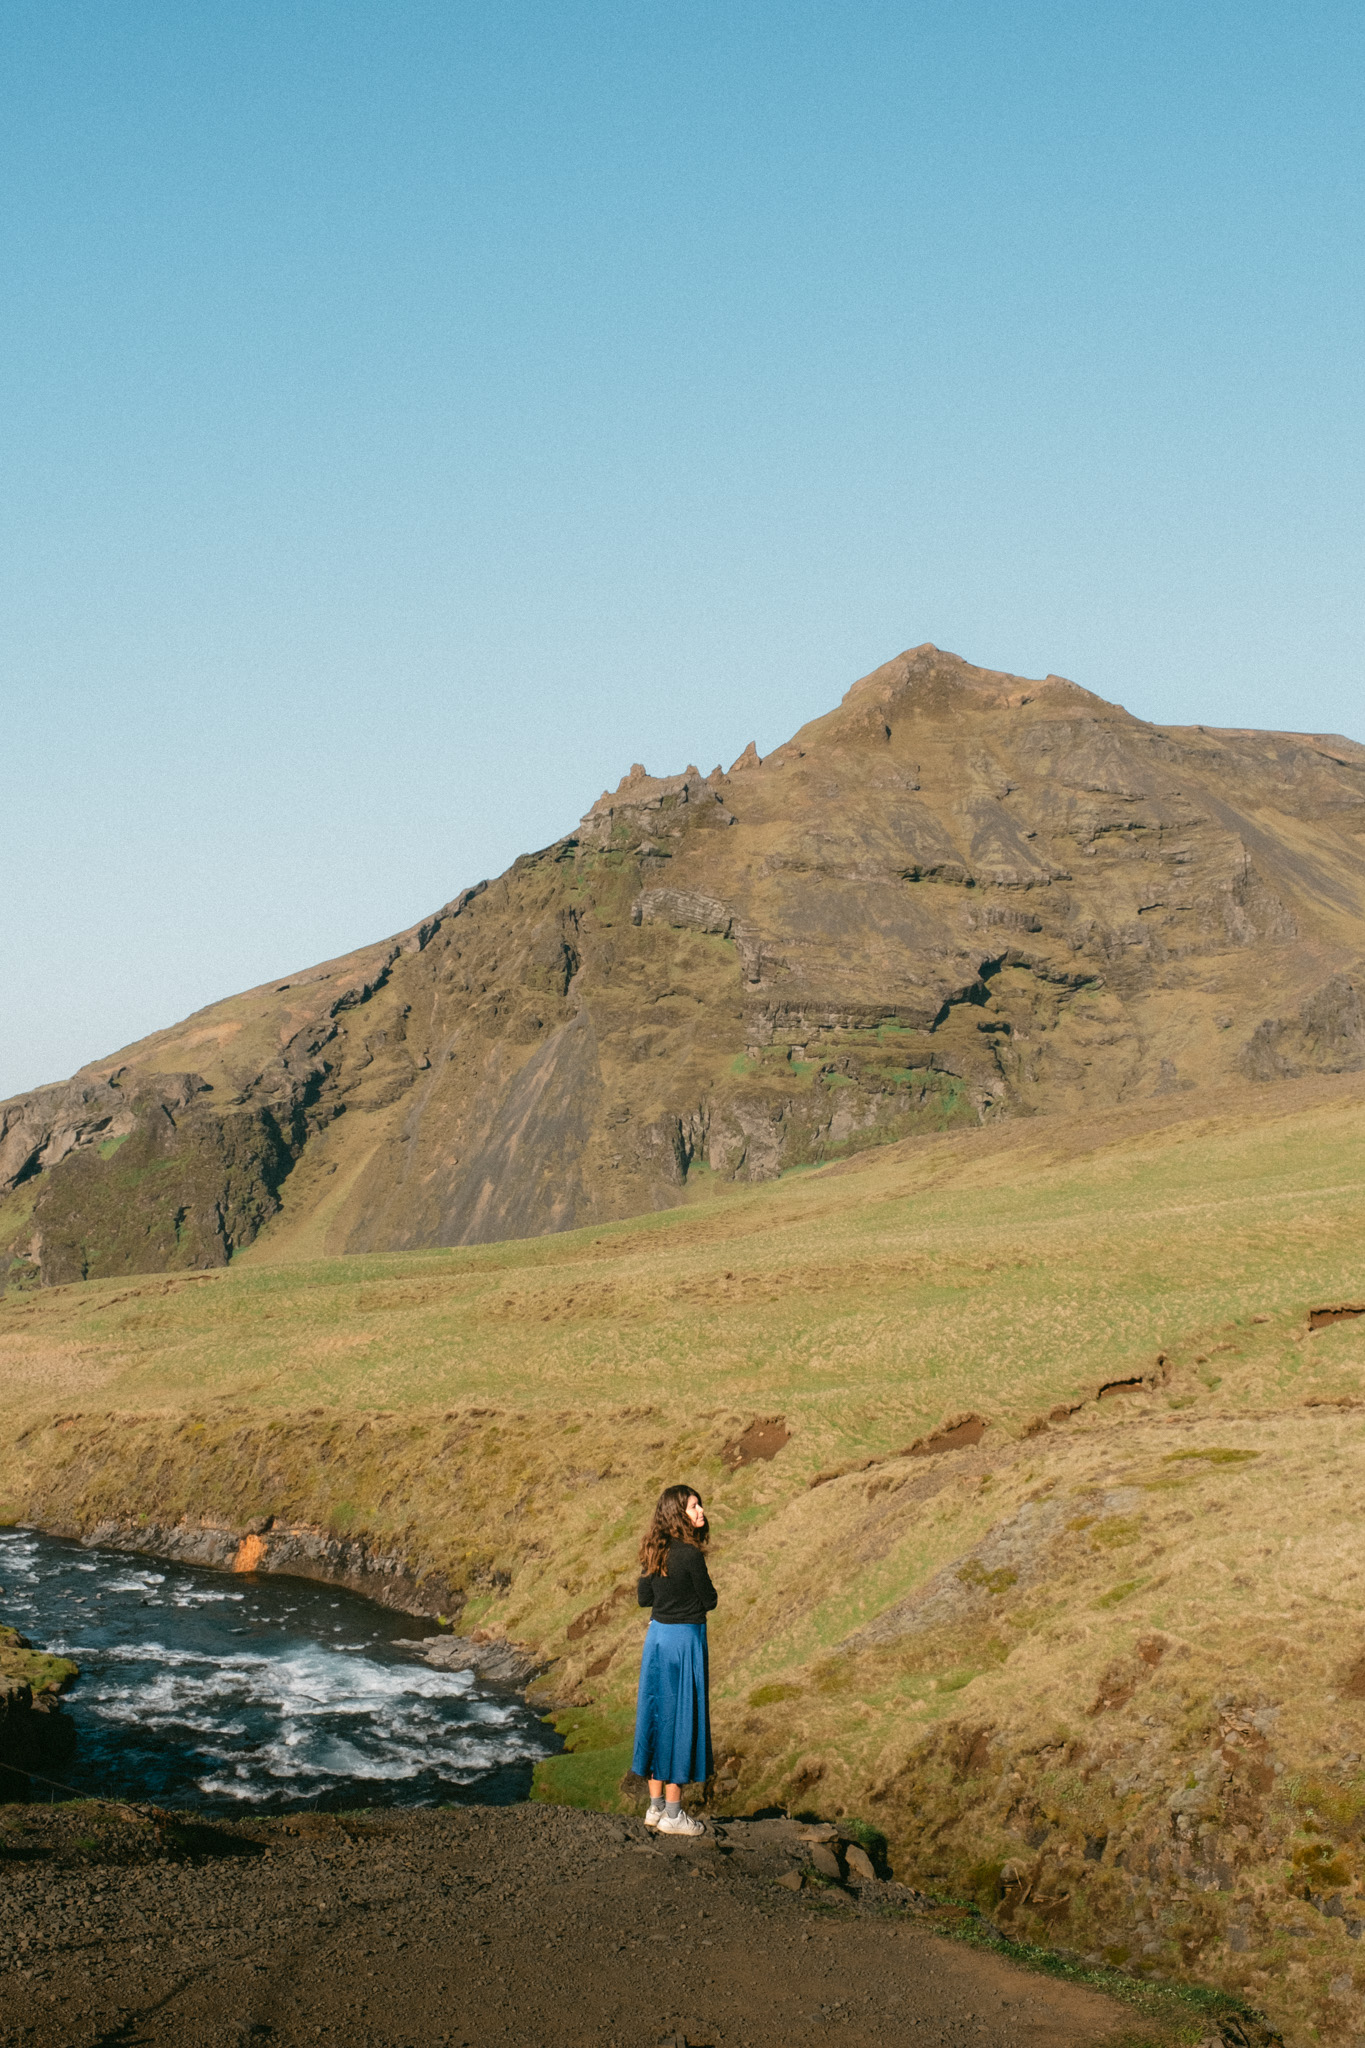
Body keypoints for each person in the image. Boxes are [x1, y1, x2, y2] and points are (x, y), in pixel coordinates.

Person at [632, 1483, 717, 1836]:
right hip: (685, 1642)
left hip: (657, 1640)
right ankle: (674, 1814)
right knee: (681, 1719)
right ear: (677, 1513)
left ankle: (654, 1809)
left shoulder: (655, 1551)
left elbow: (642, 1598)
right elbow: (709, 1600)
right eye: (694, 1506)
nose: (701, 1512)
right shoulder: (690, 1555)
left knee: (656, 1714)